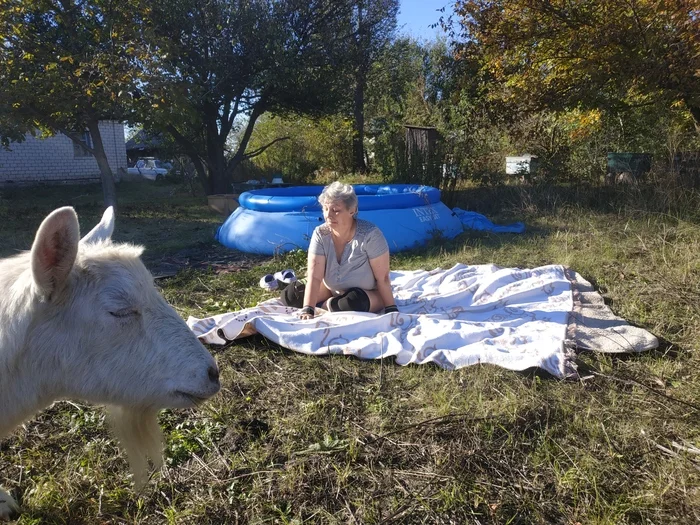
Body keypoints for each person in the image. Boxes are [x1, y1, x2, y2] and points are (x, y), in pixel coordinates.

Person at [281, 181, 399, 320]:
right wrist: (308, 309)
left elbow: (383, 278)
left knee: (351, 303)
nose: (328, 215)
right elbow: (315, 276)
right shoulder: (320, 234)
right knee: (290, 295)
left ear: (352, 210)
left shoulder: (370, 235)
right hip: (331, 287)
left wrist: (391, 308)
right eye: (325, 209)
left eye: (336, 210)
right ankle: (331, 302)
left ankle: (326, 305)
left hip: (365, 293)